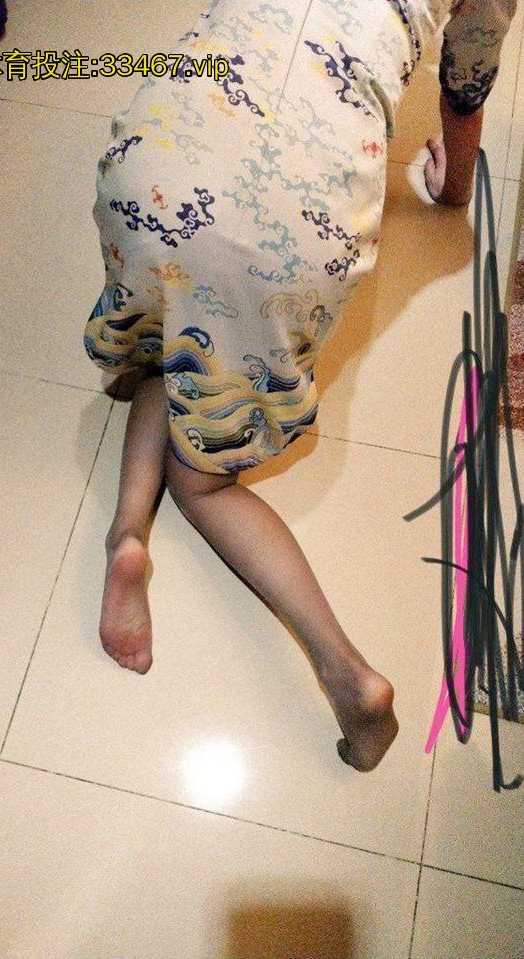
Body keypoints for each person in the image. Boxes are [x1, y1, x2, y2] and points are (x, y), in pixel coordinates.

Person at [84, 0, 518, 771]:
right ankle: (347, 673)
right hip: (295, 226)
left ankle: (126, 538)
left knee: (174, 324)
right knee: (204, 478)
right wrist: (451, 188)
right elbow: (464, 90)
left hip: (160, 158)